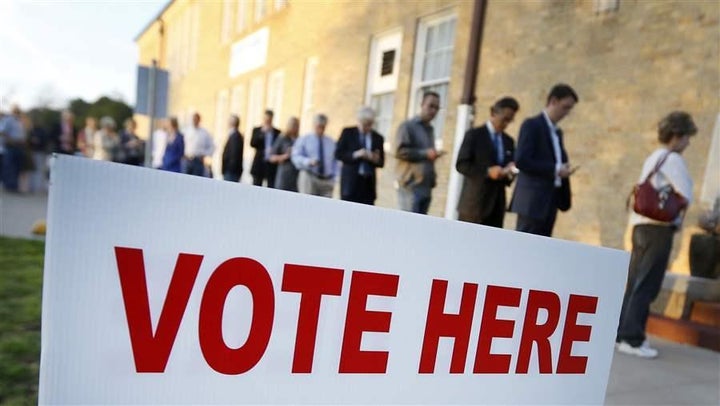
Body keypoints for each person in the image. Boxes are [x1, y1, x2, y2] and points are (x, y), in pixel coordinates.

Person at [616, 112, 697, 359]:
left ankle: (621, 333)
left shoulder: (654, 157)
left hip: (640, 226)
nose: (688, 143)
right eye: (687, 137)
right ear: (678, 135)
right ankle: (633, 338)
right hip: (658, 229)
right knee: (647, 283)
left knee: (634, 281)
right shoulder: (673, 160)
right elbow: (686, 193)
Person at [509, 83, 579, 236]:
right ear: (553, 101)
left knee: (542, 250)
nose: (566, 113)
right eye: (565, 107)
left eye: (570, 109)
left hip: (550, 200)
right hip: (532, 201)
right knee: (524, 248)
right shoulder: (532, 125)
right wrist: (556, 169)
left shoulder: (557, 132)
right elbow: (522, 160)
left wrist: (563, 168)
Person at [456, 97, 520, 227]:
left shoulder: (508, 141)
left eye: (510, 120)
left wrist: (511, 171)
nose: (506, 124)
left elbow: (509, 171)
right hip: (474, 205)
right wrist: (487, 172)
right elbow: (462, 164)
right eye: (505, 119)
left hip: (497, 205)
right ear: (494, 113)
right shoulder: (474, 135)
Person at [395, 91, 441, 214]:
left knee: (420, 228)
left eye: (436, 108)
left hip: (426, 187)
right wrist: (425, 154)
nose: (433, 111)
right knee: (407, 227)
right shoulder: (407, 126)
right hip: (411, 187)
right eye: (430, 106)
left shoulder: (430, 129)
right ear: (422, 104)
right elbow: (400, 152)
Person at [335, 106, 385, 205]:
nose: (366, 127)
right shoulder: (347, 133)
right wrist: (356, 154)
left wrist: (374, 159)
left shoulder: (378, 138)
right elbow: (338, 154)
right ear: (358, 121)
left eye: (369, 124)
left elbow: (381, 162)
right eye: (364, 124)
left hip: (368, 186)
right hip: (350, 185)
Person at [291, 113, 337, 197]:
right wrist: (308, 161)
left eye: (323, 127)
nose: (320, 129)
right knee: (307, 203)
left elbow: (335, 161)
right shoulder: (304, 139)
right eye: (318, 126)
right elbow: (295, 156)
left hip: (326, 180)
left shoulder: (330, 142)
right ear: (314, 125)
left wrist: (334, 177)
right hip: (309, 176)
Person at [250, 109, 281, 187]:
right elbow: (253, 144)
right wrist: (262, 133)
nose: (267, 121)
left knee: (271, 187)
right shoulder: (257, 130)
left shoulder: (277, 132)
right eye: (266, 119)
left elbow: (280, 147)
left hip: (271, 166)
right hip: (259, 164)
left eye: (269, 120)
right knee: (256, 188)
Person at [0, 105, 27, 192]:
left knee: (17, 167)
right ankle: (9, 186)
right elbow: (2, 131)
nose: (18, 113)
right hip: (11, 146)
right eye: (17, 111)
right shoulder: (8, 120)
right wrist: (10, 140)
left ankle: (14, 186)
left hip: (19, 147)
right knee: (9, 166)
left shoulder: (20, 121)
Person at [269, 116, 300, 192]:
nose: (294, 127)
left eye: (296, 125)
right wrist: (285, 156)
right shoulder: (282, 138)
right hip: (284, 175)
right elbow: (271, 157)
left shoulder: (300, 140)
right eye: (293, 125)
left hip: (296, 176)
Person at [184, 112, 215, 177]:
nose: (194, 121)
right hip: (187, 160)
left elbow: (212, 147)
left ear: (199, 120)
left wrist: (204, 154)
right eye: (193, 119)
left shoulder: (204, 133)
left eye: (196, 119)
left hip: (198, 161)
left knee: (196, 182)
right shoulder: (187, 131)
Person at [221, 114, 244, 182]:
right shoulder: (233, 135)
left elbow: (234, 154)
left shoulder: (236, 136)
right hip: (230, 171)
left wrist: (228, 168)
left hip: (231, 171)